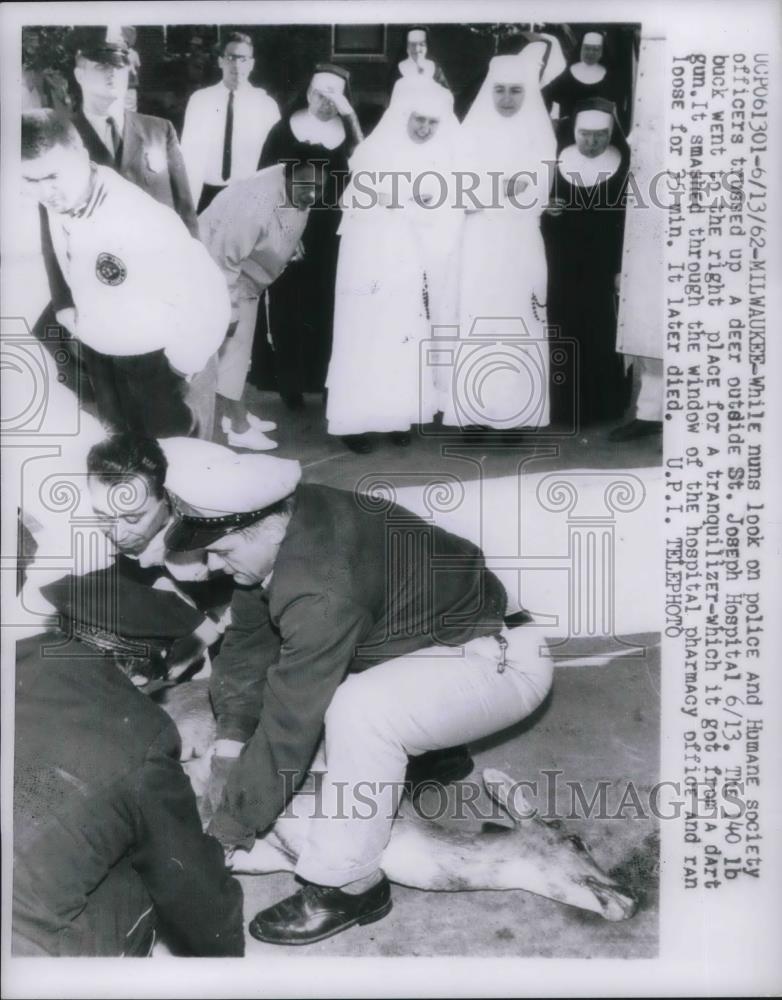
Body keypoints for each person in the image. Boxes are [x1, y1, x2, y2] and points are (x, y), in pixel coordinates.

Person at [163, 455, 553, 945]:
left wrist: (227, 829)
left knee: (357, 709)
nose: (213, 565)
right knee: (330, 668)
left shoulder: (321, 586)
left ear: (264, 527)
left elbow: (290, 720)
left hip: (502, 661)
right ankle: (436, 753)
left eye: (220, 551)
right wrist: (231, 743)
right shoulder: (287, 520)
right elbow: (246, 644)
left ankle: (350, 884)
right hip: (444, 638)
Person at [12, 571, 245, 957]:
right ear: (142, 671)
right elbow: (193, 890)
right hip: (22, 950)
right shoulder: (145, 735)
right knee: (148, 871)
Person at [22, 110, 229, 438]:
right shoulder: (58, 198)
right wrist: (66, 309)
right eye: (31, 180)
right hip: (101, 350)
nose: (45, 192)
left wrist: (179, 369)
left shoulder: (138, 218)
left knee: (172, 463)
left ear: (82, 157)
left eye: (52, 176)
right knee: (123, 455)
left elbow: (210, 297)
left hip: (153, 362)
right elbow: (55, 246)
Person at [326, 77, 464, 453]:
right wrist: (407, 199)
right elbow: (356, 200)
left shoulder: (439, 157)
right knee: (364, 334)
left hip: (409, 255)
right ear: (405, 115)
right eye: (419, 120)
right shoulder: (374, 151)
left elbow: (441, 209)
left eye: (433, 123)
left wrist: (414, 204)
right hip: (368, 254)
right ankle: (352, 421)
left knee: (402, 333)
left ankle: (396, 416)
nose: (425, 129)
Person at [441, 50, 556, 432]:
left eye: (516, 91)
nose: (507, 100)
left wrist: (495, 188)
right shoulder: (471, 131)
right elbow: (463, 192)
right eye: (501, 91)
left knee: (519, 321)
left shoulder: (540, 134)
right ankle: (473, 414)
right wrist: (505, 186)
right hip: (480, 241)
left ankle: (517, 413)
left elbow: (534, 193)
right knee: (478, 319)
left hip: (521, 240)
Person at [199, 159, 325, 449]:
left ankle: (232, 416)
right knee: (234, 348)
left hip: (244, 270)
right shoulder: (256, 204)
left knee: (237, 351)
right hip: (220, 272)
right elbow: (224, 257)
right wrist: (228, 310)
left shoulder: (288, 182)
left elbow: (282, 220)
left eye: (319, 188)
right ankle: (238, 428)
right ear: (289, 176)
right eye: (306, 186)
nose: (312, 195)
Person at [256, 64, 362, 410]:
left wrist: (351, 119)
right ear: (307, 93)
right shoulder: (282, 130)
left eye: (335, 96)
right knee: (288, 307)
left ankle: (325, 383)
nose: (325, 102)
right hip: (290, 227)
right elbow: (266, 184)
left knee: (330, 308)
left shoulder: (349, 134)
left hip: (335, 233)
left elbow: (366, 167)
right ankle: (291, 384)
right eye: (320, 94)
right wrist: (285, 230)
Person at [541, 99, 631, 427]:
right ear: (574, 132)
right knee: (563, 330)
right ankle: (565, 409)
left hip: (603, 267)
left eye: (599, 136)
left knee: (602, 332)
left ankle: (603, 406)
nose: (591, 143)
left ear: (610, 134)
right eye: (584, 135)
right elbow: (542, 208)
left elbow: (629, 222)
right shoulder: (557, 162)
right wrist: (546, 209)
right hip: (561, 266)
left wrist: (622, 268)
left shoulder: (625, 165)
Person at [69, 27, 197, 235]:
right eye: (102, 66)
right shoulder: (64, 137)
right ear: (80, 75)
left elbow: (185, 210)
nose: (112, 73)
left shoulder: (160, 131)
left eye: (119, 66)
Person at [181, 32, 280, 213]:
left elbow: (274, 162)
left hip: (249, 197)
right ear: (220, 61)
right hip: (206, 195)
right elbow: (188, 155)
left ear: (251, 64)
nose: (236, 65)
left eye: (243, 59)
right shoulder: (200, 100)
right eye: (231, 58)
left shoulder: (266, 105)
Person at [542, 31, 618, 142]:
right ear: (581, 49)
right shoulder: (568, 74)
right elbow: (545, 94)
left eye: (595, 49)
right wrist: (551, 121)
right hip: (568, 133)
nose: (590, 53)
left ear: (602, 52)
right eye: (587, 48)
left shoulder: (610, 77)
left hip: (599, 135)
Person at [388, 26, 450, 90]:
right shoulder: (399, 68)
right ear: (406, 47)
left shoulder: (434, 68)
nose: (417, 49)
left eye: (422, 44)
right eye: (412, 44)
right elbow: (393, 94)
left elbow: (446, 93)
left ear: (427, 46)